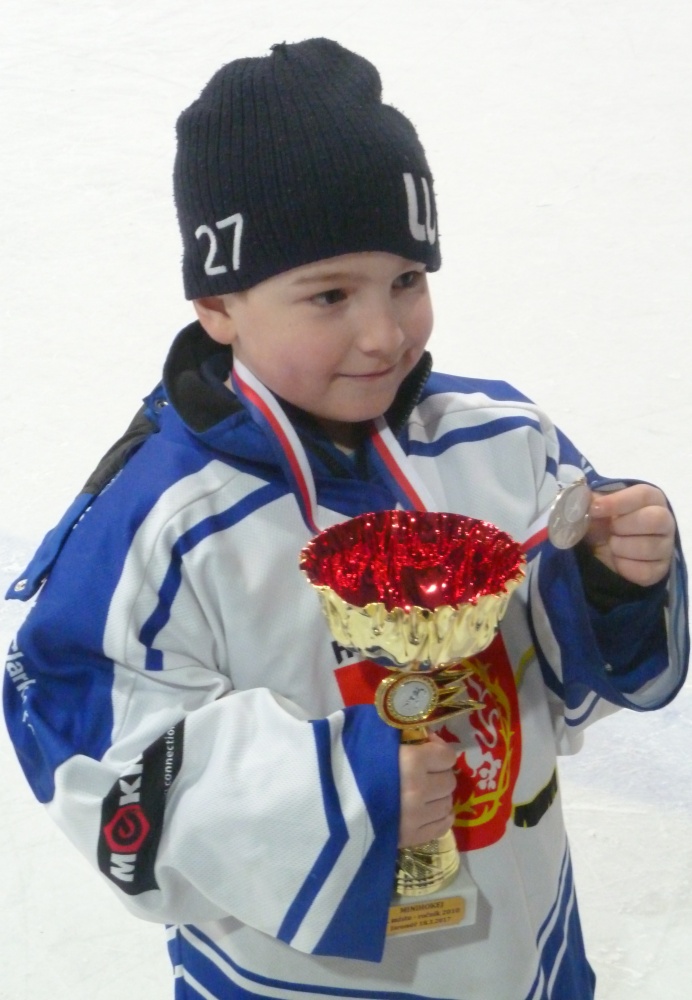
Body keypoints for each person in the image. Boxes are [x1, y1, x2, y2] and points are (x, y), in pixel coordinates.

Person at [3, 37, 688, 1000]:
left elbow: (560, 669)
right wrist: (339, 792)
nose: (384, 333)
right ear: (218, 305)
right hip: (299, 979)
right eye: (329, 295)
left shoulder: (503, 438)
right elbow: (102, 764)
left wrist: (612, 579)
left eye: (407, 280)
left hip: (529, 949)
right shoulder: (160, 523)